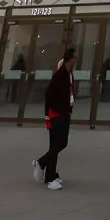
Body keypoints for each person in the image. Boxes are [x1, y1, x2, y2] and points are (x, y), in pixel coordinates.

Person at [33, 48, 76, 190]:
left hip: (64, 113)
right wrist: (58, 111)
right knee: (58, 144)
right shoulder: (60, 75)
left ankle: (49, 173)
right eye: (75, 57)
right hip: (57, 115)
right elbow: (49, 96)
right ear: (70, 59)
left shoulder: (69, 74)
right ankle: (45, 169)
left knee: (59, 144)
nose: (77, 60)